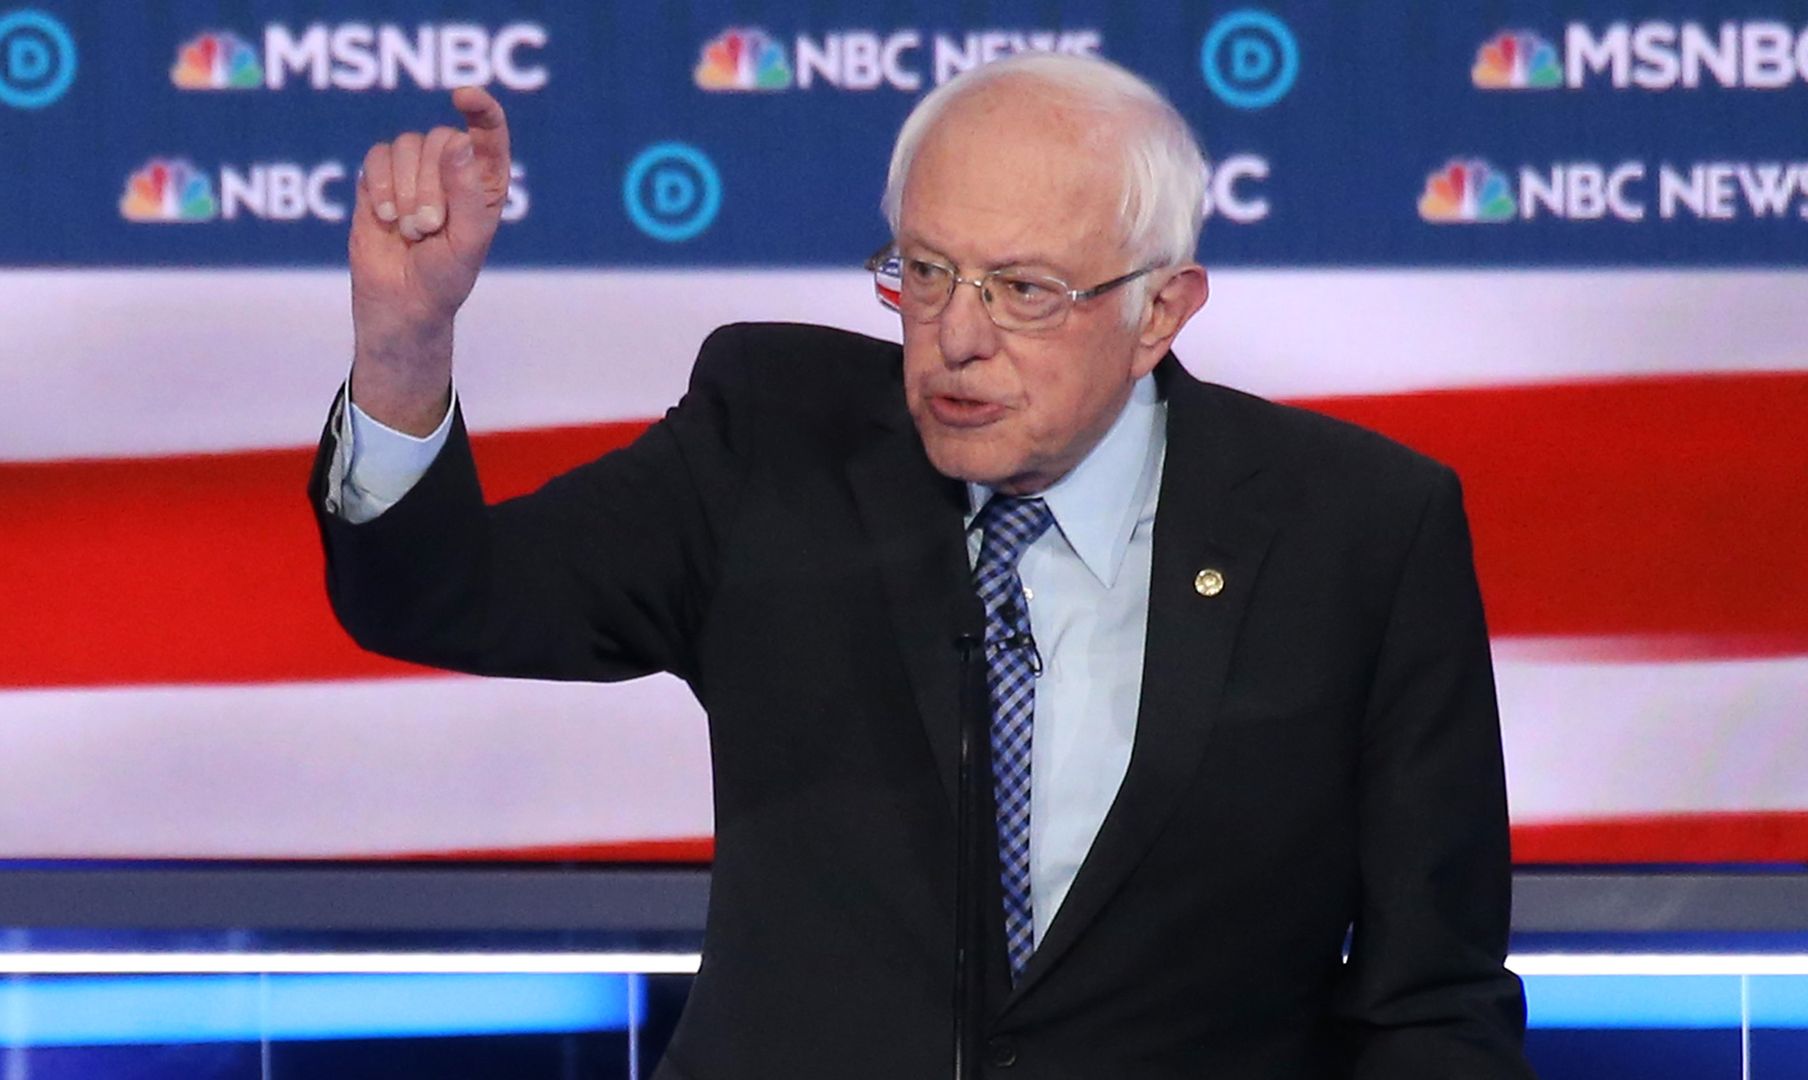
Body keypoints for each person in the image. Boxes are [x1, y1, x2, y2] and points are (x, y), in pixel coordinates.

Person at [312, 54, 1534, 1079]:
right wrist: (406, 342)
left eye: (1025, 291)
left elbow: (1432, 1001)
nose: (956, 336)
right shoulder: (769, 448)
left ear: (1160, 311)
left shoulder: (1359, 531)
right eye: (928, 271)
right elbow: (438, 593)